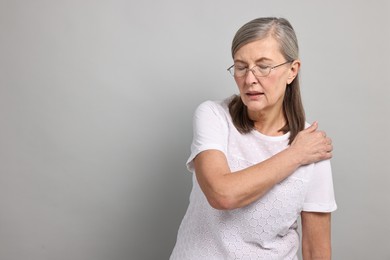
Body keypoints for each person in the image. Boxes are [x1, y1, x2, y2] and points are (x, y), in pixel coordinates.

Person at [170, 17, 337, 260]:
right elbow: (222, 194)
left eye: (263, 66)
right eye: (241, 67)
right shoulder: (213, 116)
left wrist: (302, 151)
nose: (250, 79)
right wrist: (295, 155)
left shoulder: (312, 146)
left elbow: (316, 251)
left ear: (292, 71)